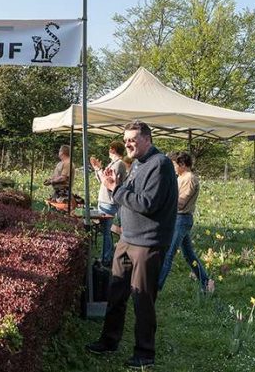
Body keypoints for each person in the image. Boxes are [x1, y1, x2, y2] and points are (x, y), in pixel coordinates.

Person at [86, 121, 177, 369]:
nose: (128, 143)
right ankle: (109, 340)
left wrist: (115, 190)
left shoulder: (160, 165)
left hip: (148, 243)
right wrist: (114, 183)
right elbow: (129, 194)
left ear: (147, 139)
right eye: (126, 139)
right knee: (116, 293)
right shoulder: (137, 163)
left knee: (142, 299)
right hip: (127, 240)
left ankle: (145, 353)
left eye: (133, 140)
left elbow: (147, 203)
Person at [157, 152, 212, 292]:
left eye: (174, 164)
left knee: (169, 253)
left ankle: (155, 288)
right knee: (189, 255)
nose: (173, 167)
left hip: (181, 219)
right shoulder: (181, 177)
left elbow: (181, 203)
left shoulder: (189, 178)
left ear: (182, 164)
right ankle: (205, 282)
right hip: (178, 218)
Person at [90, 141, 126, 266]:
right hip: (105, 200)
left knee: (106, 232)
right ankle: (107, 256)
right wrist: (97, 170)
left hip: (109, 202)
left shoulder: (119, 164)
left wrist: (99, 169)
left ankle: (106, 259)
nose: (108, 151)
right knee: (105, 231)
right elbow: (102, 180)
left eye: (110, 149)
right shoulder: (114, 163)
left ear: (113, 150)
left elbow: (107, 182)